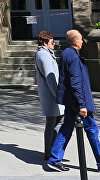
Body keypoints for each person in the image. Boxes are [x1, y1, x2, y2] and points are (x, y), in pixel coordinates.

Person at [46, 29, 100, 173]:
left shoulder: (68, 53)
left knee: (66, 129)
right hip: (78, 102)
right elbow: (75, 83)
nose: (82, 41)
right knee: (92, 130)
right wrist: (82, 105)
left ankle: (55, 159)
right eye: (80, 39)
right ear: (75, 41)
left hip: (71, 101)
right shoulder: (72, 56)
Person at [33, 31, 64, 162]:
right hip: (51, 95)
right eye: (52, 41)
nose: (54, 44)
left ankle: (50, 151)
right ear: (45, 42)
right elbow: (50, 77)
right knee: (54, 122)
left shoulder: (43, 54)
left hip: (49, 94)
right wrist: (58, 95)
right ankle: (51, 152)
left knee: (53, 122)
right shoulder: (44, 55)